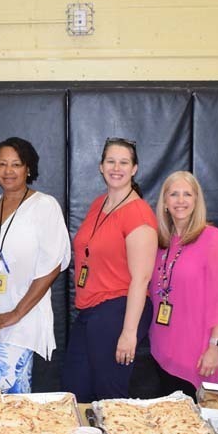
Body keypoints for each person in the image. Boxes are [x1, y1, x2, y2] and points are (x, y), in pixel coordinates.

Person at [0, 137, 71, 395]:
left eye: (16, 164)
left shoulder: (44, 207)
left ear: (28, 168)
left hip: (24, 321)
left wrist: (16, 313)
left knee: (17, 404)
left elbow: (51, 267)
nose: (8, 171)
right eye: (2, 164)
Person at [62, 137, 158, 402]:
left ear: (135, 168)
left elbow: (141, 279)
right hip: (89, 311)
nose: (117, 168)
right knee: (75, 391)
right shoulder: (99, 204)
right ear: (101, 167)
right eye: (111, 161)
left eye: (124, 162)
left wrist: (128, 333)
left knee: (110, 395)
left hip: (118, 309)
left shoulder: (138, 213)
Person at [149, 171, 218, 398]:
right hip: (160, 348)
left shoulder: (212, 238)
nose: (180, 201)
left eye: (187, 194)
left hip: (197, 353)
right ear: (165, 202)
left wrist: (215, 348)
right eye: (174, 194)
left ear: (196, 201)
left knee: (192, 425)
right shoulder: (159, 242)